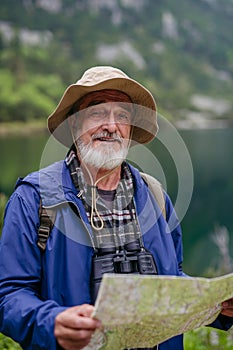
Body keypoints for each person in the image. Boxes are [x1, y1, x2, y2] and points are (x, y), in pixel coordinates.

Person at [0, 66, 232, 350]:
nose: (111, 125)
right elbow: (9, 295)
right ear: (74, 124)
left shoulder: (156, 196)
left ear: (131, 129)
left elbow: (172, 280)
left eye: (122, 115)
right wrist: (53, 322)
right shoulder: (33, 199)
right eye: (97, 112)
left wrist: (215, 305)